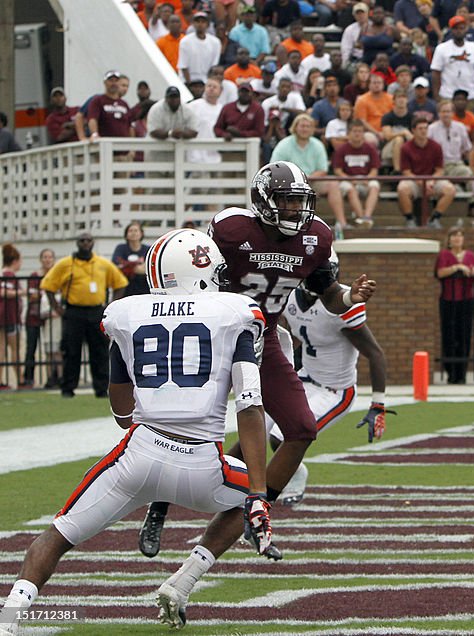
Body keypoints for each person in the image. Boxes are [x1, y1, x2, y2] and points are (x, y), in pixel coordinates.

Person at [0, 229, 278, 635]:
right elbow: (250, 405)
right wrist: (256, 493)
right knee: (256, 496)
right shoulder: (234, 312)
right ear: (198, 271)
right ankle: (183, 582)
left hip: (139, 455)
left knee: (55, 537)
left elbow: (119, 401)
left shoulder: (126, 314)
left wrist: (142, 424)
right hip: (204, 464)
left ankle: (9, 622)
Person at [136, 162, 376, 561]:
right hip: (212, 337)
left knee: (300, 428)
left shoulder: (315, 237)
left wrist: (350, 298)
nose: (295, 210)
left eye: (300, 201)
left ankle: (256, 510)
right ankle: (159, 503)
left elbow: (327, 293)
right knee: (186, 430)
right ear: (263, 200)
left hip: (260, 338)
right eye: (286, 200)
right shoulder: (231, 230)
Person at [269, 255, 390, 505]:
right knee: (257, 422)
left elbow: (375, 353)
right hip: (304, 378)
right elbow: (301, 338)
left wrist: (378, 404)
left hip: (335, 390)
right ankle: (234, 481)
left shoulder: (342, 305)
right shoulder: (290, 297)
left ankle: (294, 476)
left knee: (282, 436)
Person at [40, 233, 128, 398]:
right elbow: (48, 285)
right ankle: (68, 388)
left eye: (88, 241)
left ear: (93, 243)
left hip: (96, 311)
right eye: (82, 241)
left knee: (99, 351)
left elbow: (120, 283)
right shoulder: (66, 264)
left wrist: (111, 305)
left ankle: (101, 389)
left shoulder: (102, 264)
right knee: (71, 351)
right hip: (74, 312)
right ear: (77, 243)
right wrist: (57, 308)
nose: (85, 244)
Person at [271, 113, 348, 235]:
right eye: (302, 126)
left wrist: (306, 179)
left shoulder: (317, 145)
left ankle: (342, 223)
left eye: (308, 126)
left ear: (312, 129)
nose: (305, 129)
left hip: (313, 180)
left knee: (333, 184)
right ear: (295, 127)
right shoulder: (284, 145)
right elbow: (275, 167)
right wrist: (296, 180)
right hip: (289, 184)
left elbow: (323, 169)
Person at [436, 228, 474, 384]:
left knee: (464, 336)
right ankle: (451, 372)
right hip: (448, 300)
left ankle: (462, 373)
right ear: (449, 239)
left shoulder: (470, 255)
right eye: (454, 236)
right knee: (449, 336)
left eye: (460, 236)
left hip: (466, 299)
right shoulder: (444, 255)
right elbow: (440, 272)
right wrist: (457, 267)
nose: (457, 239)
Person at [398, 118, 457, 229]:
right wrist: (421, 183)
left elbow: (440, 170)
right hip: (414, 181)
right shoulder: (405, 148)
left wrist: (431, 181)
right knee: (402, 189)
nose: (423, 131)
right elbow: (406, 171)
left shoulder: (436, 146)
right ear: (413, 130)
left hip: (432, 181)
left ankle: (435, 218)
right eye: (420, 128)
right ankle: (409, 219)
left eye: (425, 128)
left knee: (450, 189)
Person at [21, 249, 60, 390]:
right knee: (31, 346)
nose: (47, 260)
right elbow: (32, 295)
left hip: (52, 316)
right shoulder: (35, 276)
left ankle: (54, 377)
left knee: (53, 347)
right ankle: (28, 378)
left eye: (50, 257)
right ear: (41, 259)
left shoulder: (57, 274)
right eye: (45, 257)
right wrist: (45, 292)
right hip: (34, 315)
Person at [332, 119, 382, 227]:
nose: (357, 134)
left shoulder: (370, 148)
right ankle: (361, 218)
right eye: (354, 131)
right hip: (347, 179)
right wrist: (349, 179)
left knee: (375, 186)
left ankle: (367, 216)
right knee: (350, 189)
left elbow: (375, 169)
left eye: (360, 131)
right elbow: (338, 170)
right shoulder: (341, 149)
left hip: (366, 178)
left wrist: (367, 179)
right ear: (349, 133)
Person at [0, 244, 22, 390]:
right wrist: (20, 292)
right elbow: (4, 292)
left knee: (2, 349)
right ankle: (20, 380)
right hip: (9, 316)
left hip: (6, 316)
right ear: (15, 261)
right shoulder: (8, 275)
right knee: (13, 349)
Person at [111, 222, 151, 297]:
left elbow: (150, 268)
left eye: (136, 230)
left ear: (141, 234)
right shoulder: (121, 248)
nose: (133, 233)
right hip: (124, 290)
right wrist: (138, 266)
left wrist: (127, 265)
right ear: (126, 235)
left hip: (144, 290)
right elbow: (115, 265)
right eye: (130, 231)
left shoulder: (148, 249)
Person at [178, 12, 220, 83]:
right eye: (197, 21)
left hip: (206, 80)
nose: (200, 24)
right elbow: (183, 66)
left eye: (203, 22)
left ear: (208, 25)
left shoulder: (215, 42)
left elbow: (213, 66)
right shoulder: (185, 41)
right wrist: (189, 84)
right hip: (187, 80)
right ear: (193, 24)